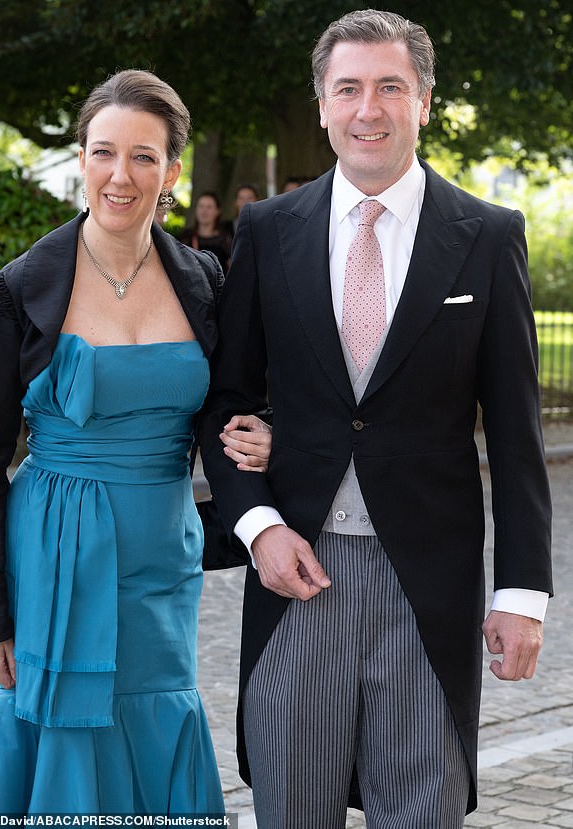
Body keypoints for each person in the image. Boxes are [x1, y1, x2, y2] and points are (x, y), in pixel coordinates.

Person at [199, 9, 553, 829]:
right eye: (348, 88)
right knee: (292, 810)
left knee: (422, 814)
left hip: (428, 586)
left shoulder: (487, 236)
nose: (369, 109)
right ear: (322, 104)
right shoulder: (267, 230)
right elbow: (224, 401)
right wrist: (255, 525)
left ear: (423, 102)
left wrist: (523, 593)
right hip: (296, 573)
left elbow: (517, 429)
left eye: (390, 87)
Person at [0, 69, 271, 818]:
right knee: (60, 725)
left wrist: (266, 440)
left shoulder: (204, 281)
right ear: (81, 161)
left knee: (158, 708)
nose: (121, 175)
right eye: (103, 152)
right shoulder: (15, 290)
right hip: (56, 552)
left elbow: (231, 409)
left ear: (171, 173)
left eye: (144, 156)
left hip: (162, 551)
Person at [180, 191, 233, 274]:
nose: (204, 211)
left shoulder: (225, 239)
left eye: (209, 207)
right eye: (201, 206)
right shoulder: (186, 237)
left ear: (217, 211)